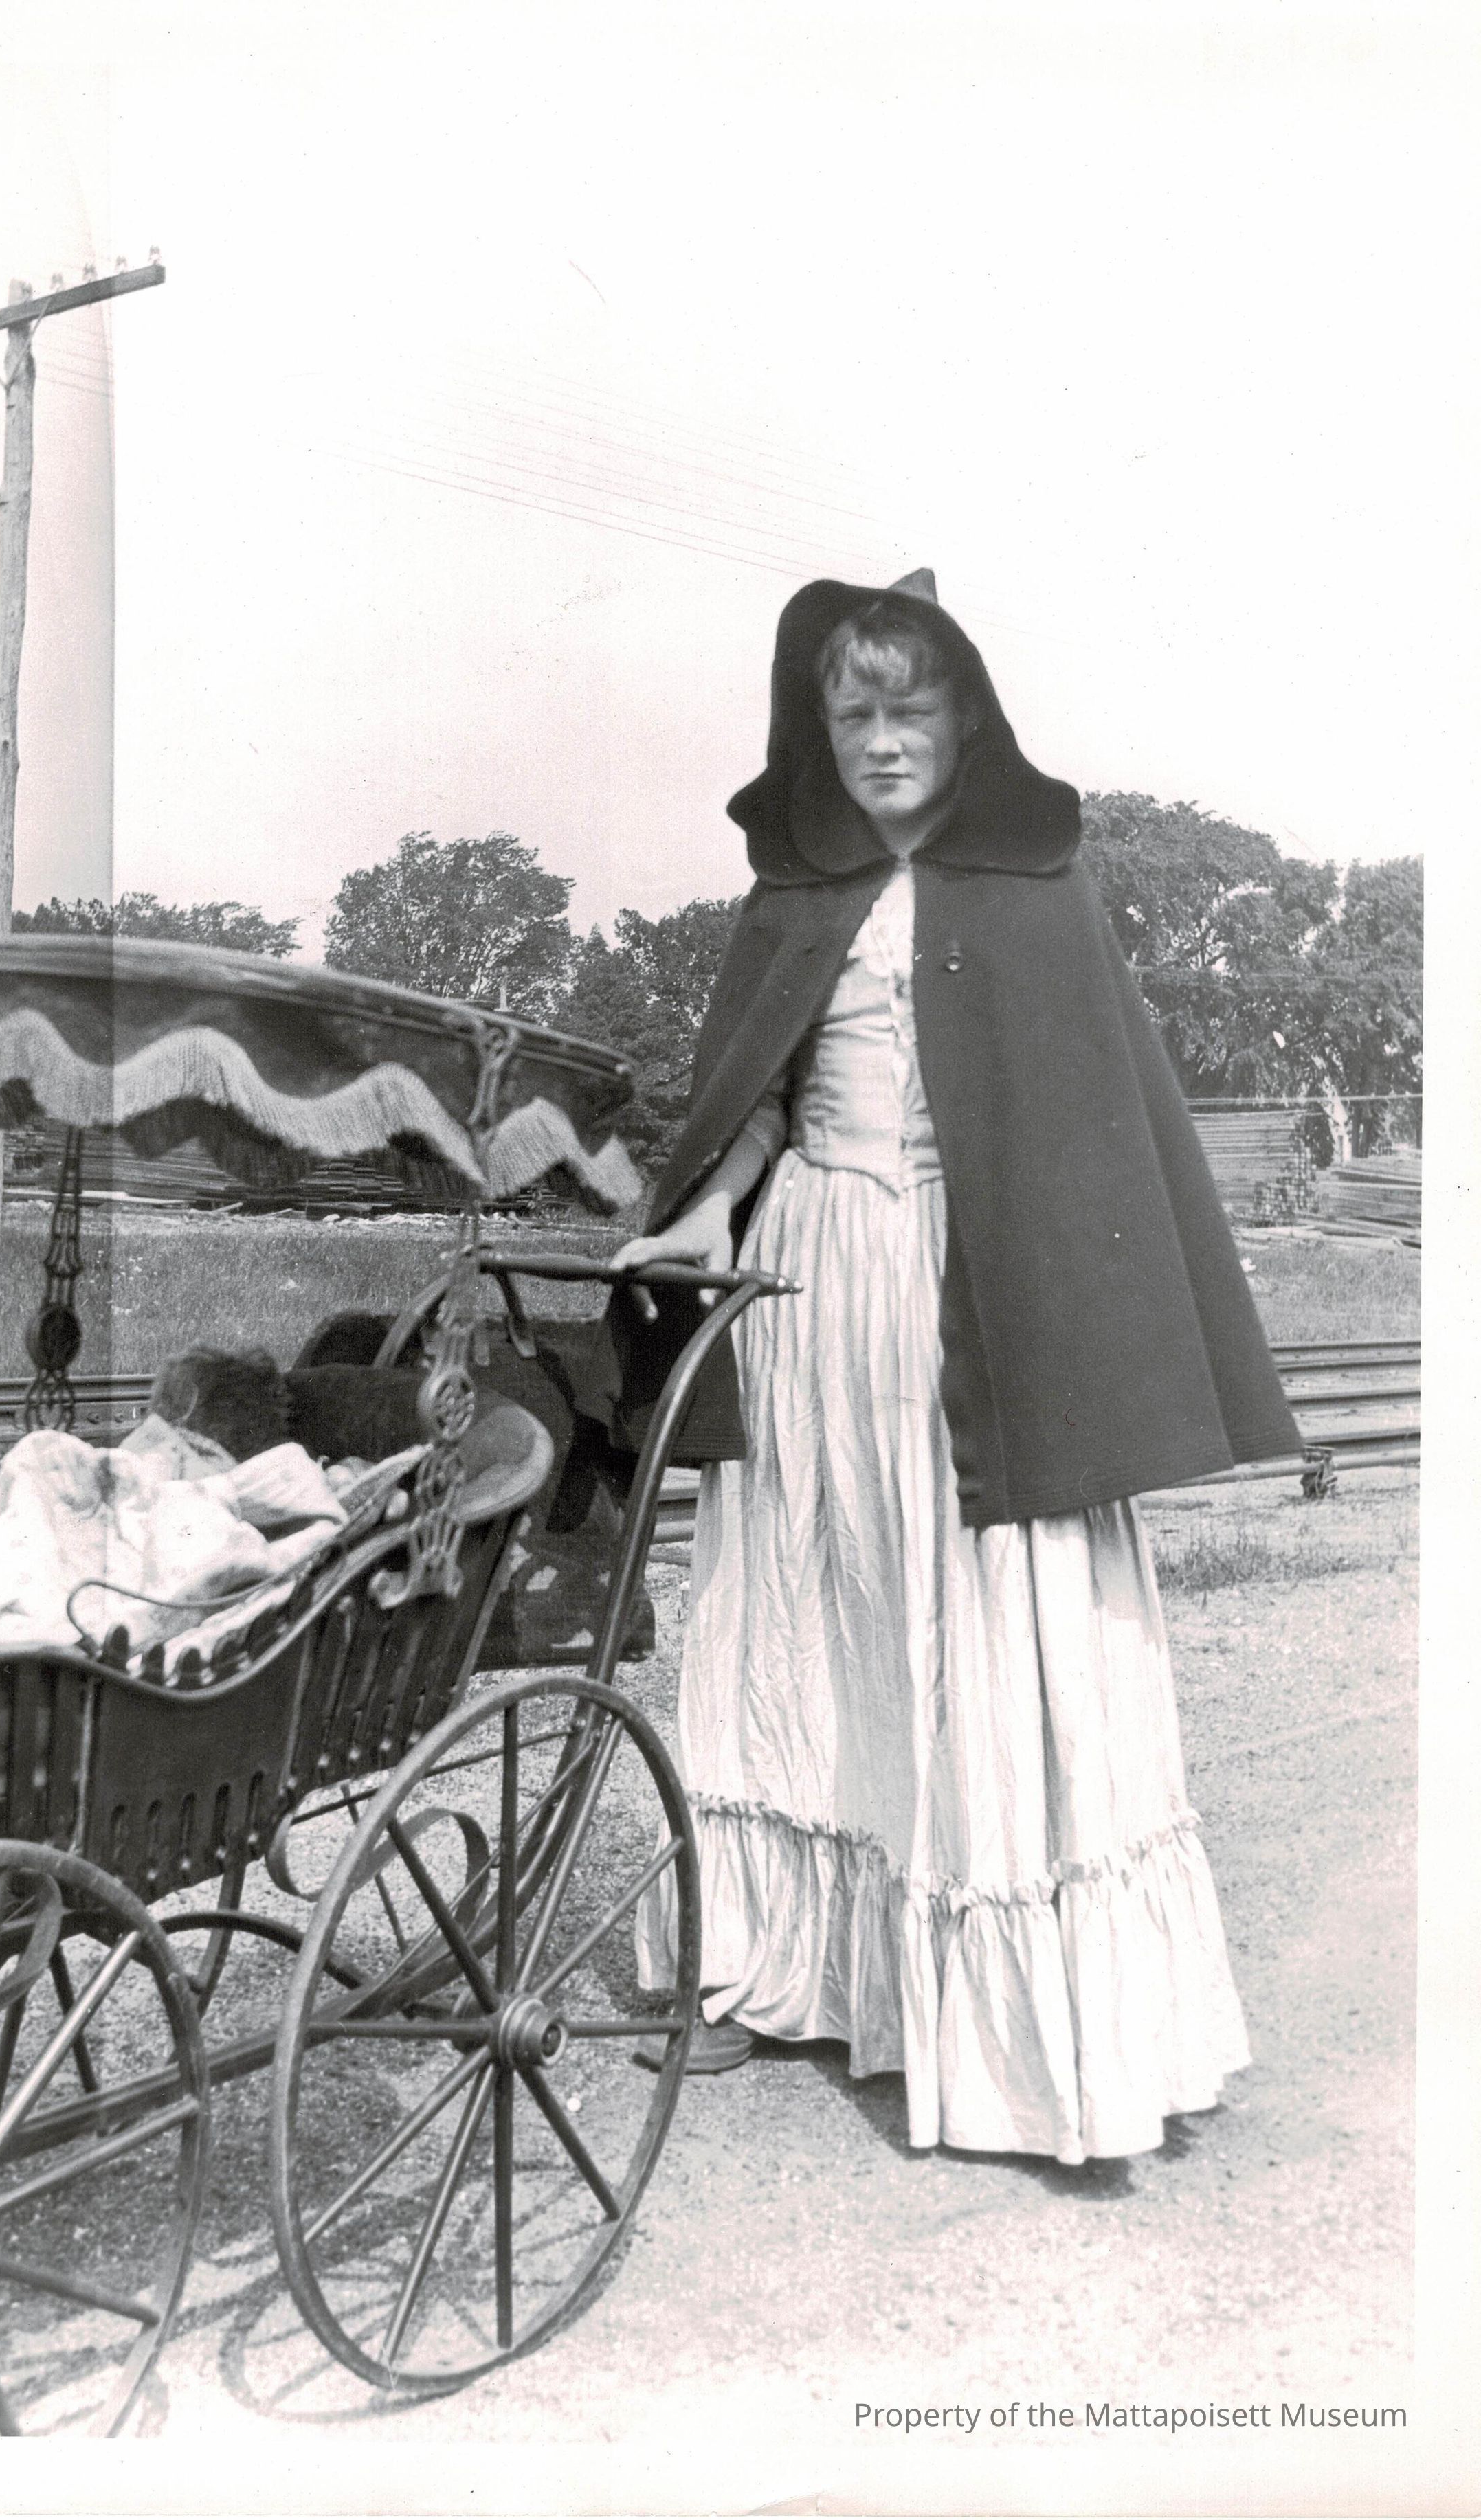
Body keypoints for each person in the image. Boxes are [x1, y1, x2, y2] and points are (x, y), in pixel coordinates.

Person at [592, 568, 1298, 2164]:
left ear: (966, 719)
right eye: (853, 709)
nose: (883, 737)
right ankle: (780, 1964)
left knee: (974, 1607)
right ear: (819, 728)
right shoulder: (795, 896)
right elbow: (765, 1095)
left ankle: (1037, 2046)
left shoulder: (1041, 889)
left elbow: (1092, 1134)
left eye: (911, 706)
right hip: (810, 1285)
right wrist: (698, 1216)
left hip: (971, 1301)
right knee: (818, 1588)